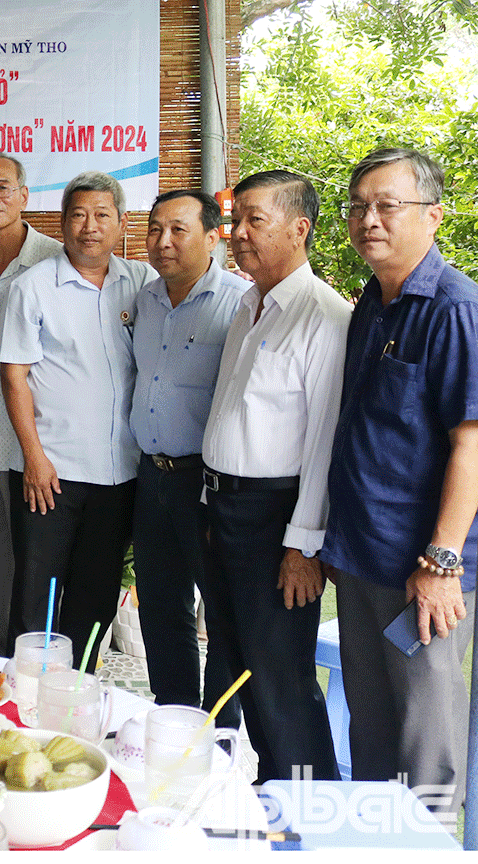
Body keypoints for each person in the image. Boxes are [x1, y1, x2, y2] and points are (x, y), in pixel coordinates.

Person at [322, 147, 478, 819]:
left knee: (426, 744)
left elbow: (471, 446)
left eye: (388, 206)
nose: (369, 220)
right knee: (372, 730)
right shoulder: (373, 303)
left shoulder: (454, 309)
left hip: (424, 572)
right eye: (358, 206)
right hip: (363, 558)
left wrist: (442, 563)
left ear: (433, 216)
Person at [201, 170, 347, 783]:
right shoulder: (248, 304)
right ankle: (269, 791)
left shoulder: (323, 317)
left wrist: (302, 547)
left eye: (253, 220)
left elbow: (324, 443)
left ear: (299, 228)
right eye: (235, 220)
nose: (237, 233)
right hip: (223, 509)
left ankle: (310, 804)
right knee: (238, 660)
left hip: (276, 519)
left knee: (279, 673)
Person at [0, 171, 155, 669]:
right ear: (62, 222)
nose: (90, 227)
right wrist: (34, 459)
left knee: (95, 598)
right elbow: (14, 377)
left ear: (122, 223)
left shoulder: (142, 284)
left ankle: (77, 691)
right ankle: (26, 698)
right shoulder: (33, 287)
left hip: (119, 474)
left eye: (102, 215)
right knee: (37, 599)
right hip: (52, 472)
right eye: (79, 215)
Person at [130, 190, 245, 727]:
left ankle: (218, 731)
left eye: (179, 229)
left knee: (221, 609)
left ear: (213, 237)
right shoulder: (146, 301)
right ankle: (172, 718)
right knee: (160, 603)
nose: (163, 241)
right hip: (151, 475)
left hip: (207, 480)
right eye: (155, 229)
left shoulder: (238, 304)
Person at [0, 153, 62, 654]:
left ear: (24, 196)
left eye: (3, 187)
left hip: (37, 443)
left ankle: (39, 655)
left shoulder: (56, 262)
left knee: (37, 560)